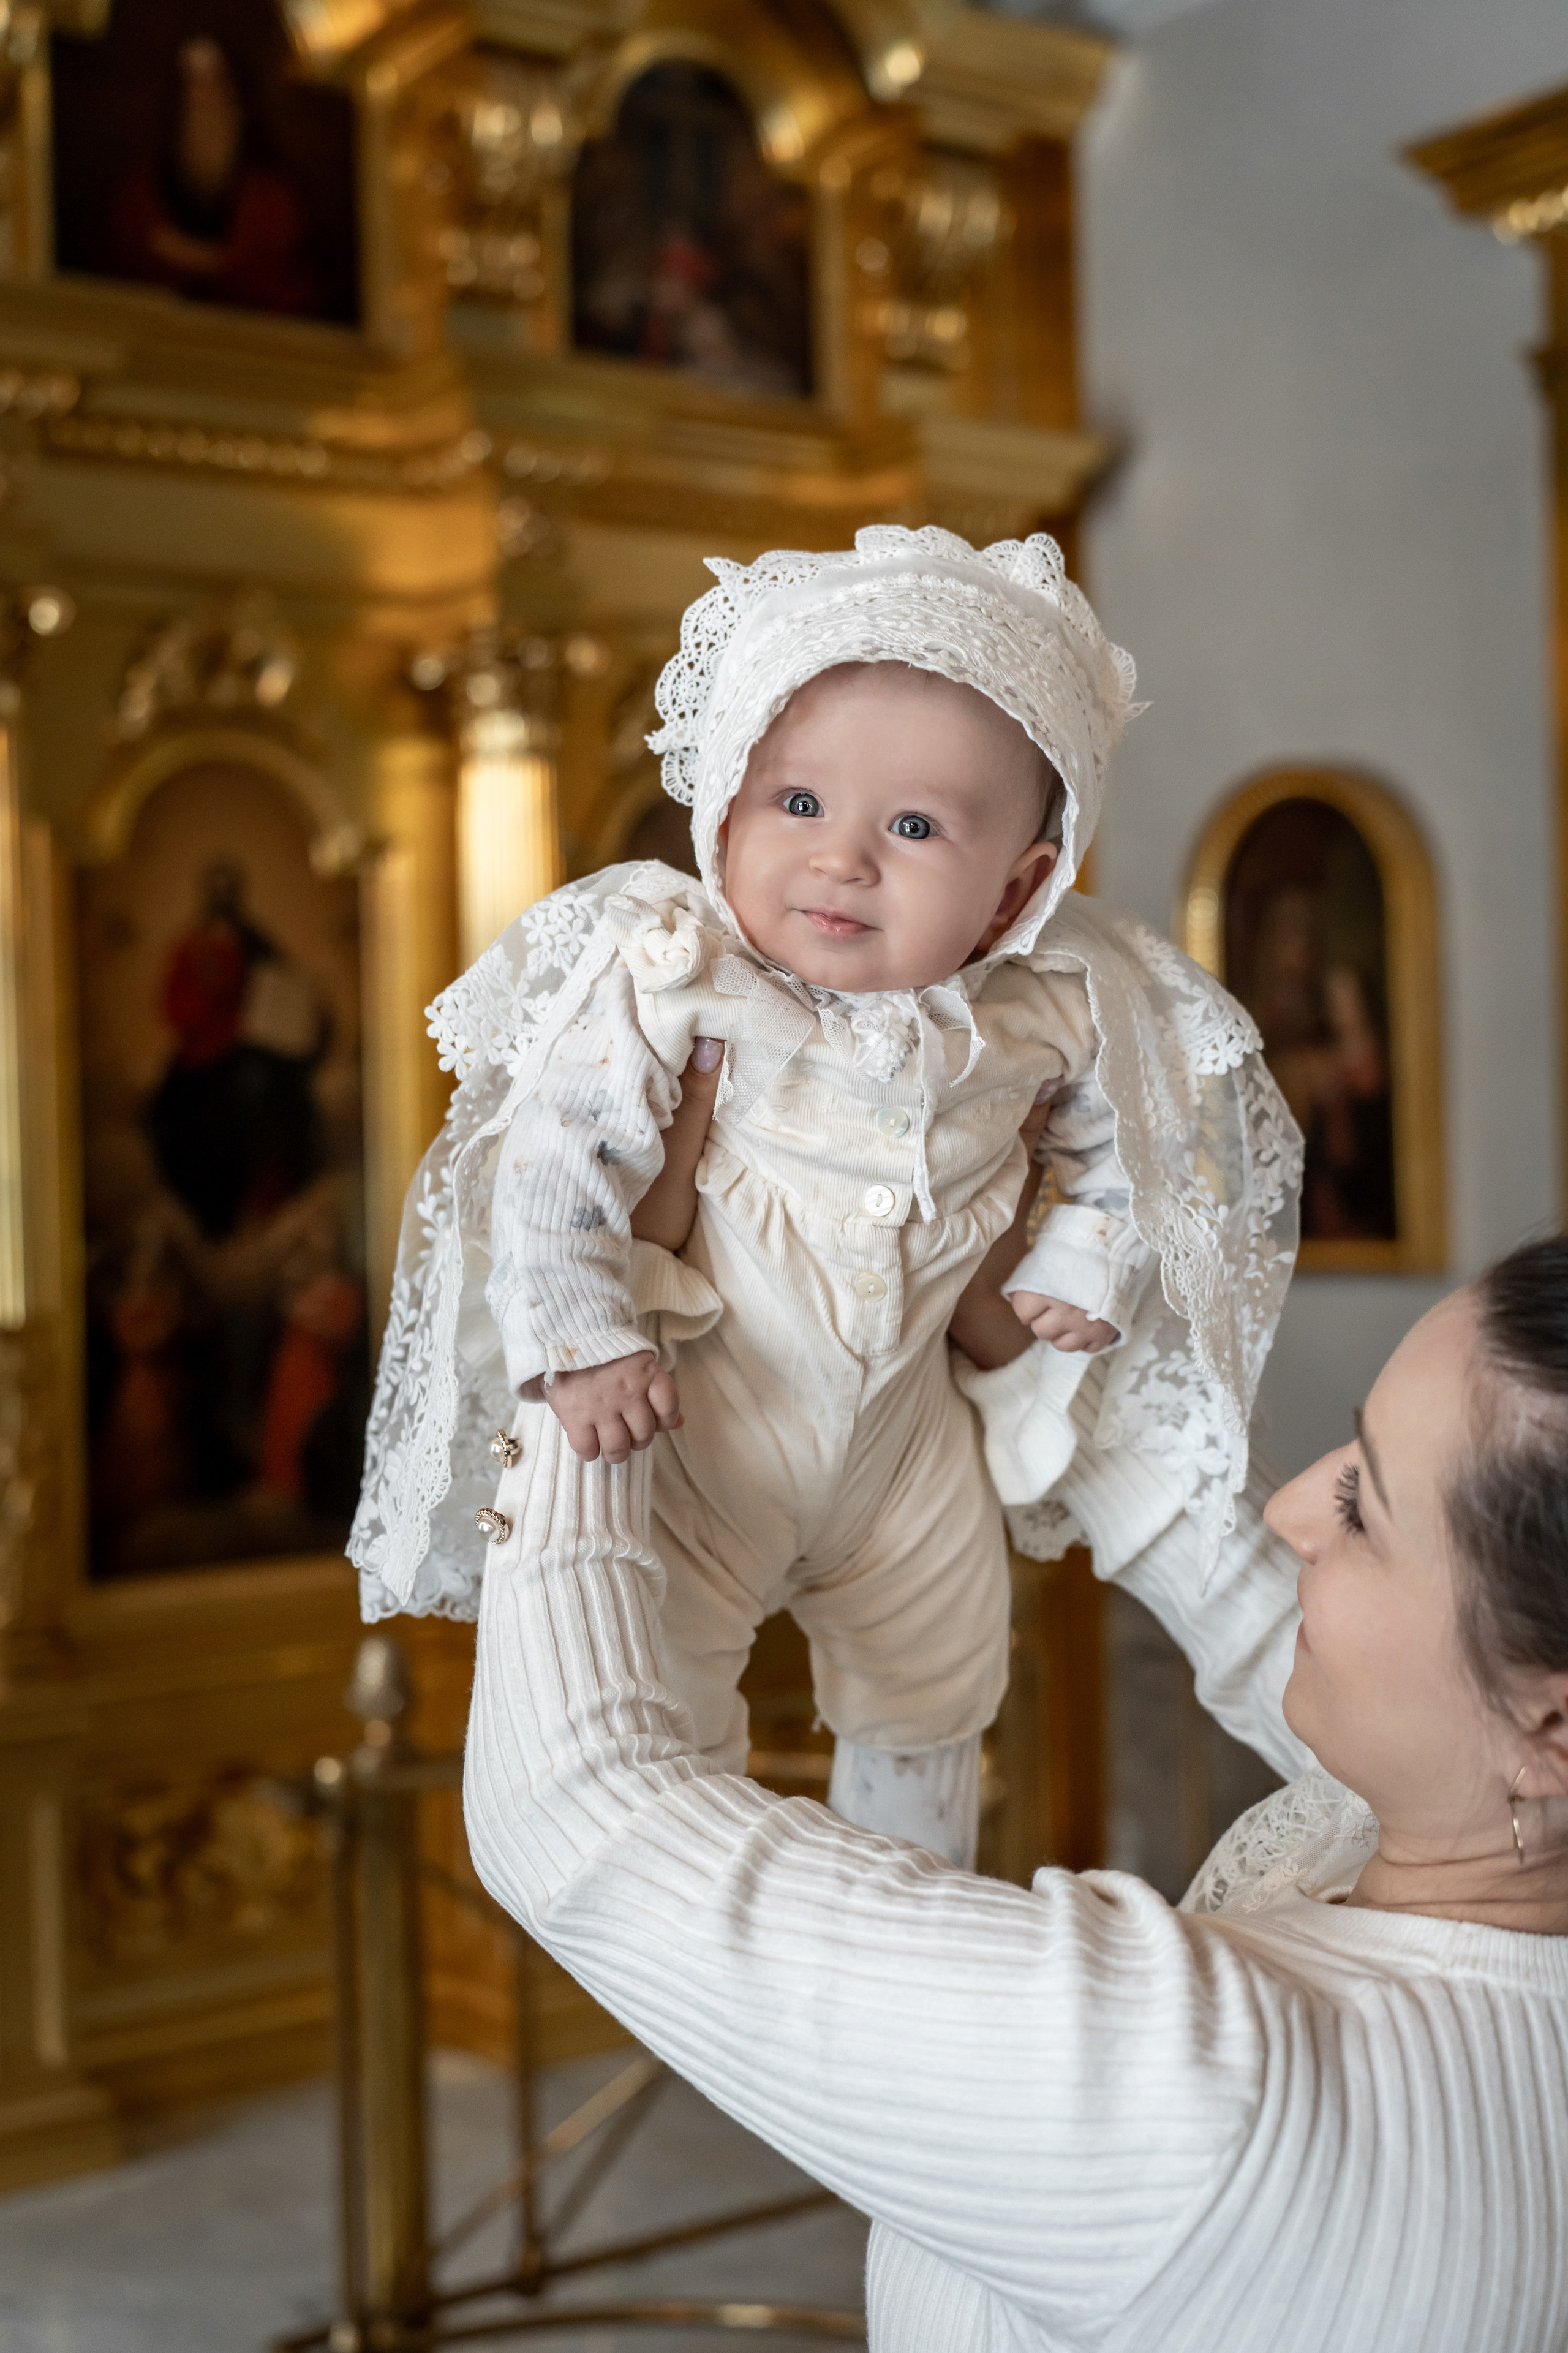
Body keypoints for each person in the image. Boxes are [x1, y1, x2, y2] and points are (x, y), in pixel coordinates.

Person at [353, 527, 1300, 1867]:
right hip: (698, 1422)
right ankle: (710, 1910)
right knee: (659, 1705)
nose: (842, 858)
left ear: (1016, 890)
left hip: (907, 1445)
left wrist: (1083, 1256)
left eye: (913, 828)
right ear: (724, 807)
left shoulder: (1049, 1010)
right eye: (796, 804)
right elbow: (556, 1166)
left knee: (935, 1680)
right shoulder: (673, 973)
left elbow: (1135, 1148)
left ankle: (907, 1902)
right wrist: (585, 1335)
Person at [459, 1222, 1568, 2350]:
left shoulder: (1210, 2096)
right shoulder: (1479, 1810)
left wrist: (596, 1302)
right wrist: (1002, 1323)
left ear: (1553, 1719)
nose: (1294, 1510)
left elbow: (573, 1804)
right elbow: (1250, 1600)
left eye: (1363, 1508)